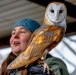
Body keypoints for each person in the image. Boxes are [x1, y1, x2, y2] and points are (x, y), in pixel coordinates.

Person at [0, 18, 69, 75]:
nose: (15, 36)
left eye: (22, 32)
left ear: (35, 39)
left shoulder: (51, 63)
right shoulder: (6, 68)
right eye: (13, 33)